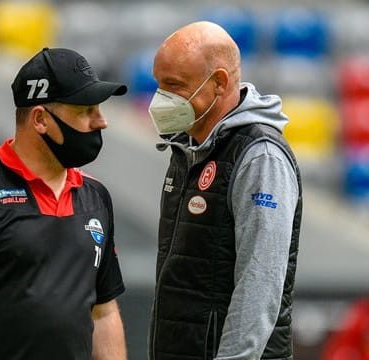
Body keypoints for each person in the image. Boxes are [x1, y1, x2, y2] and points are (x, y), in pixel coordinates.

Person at [0, 47, 128, 360]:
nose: (101, 121)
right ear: (40, 118)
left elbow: (103, 312)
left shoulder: (96, 195)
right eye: (86, 110)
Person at [146, 21, 303, 359]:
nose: (161, 98)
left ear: (218, 82)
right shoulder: (188, 149)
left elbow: (259, 283)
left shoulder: (259, 156)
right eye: (160, 84)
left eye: (173, 85)